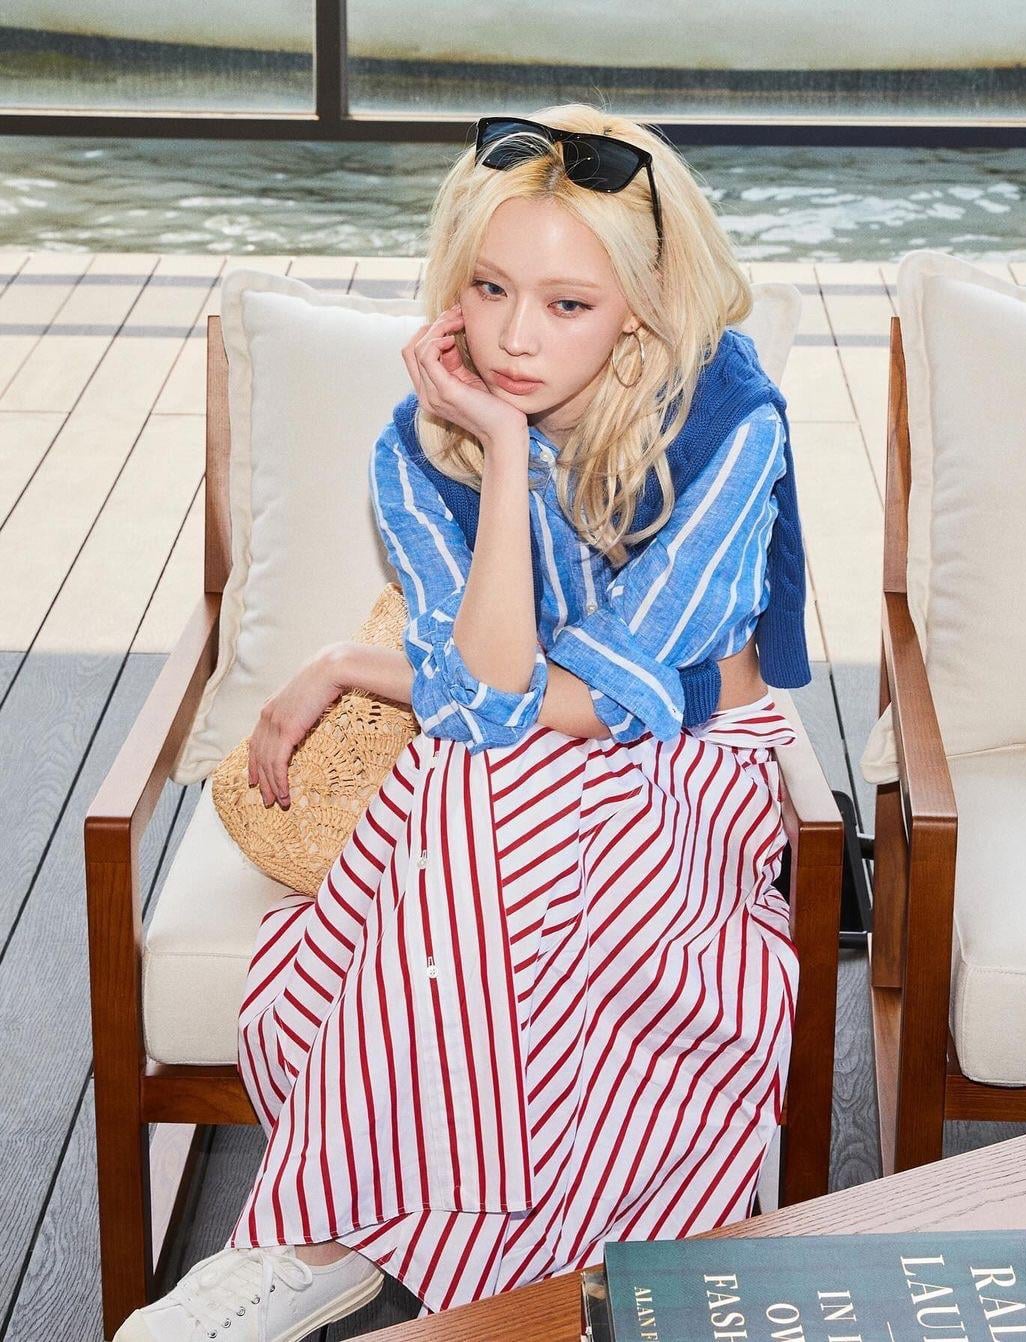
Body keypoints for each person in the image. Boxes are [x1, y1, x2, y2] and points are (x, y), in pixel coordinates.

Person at [112, 102, 812, 1342]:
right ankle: (458, 1274)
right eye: (489, 288)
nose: (514, 336)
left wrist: (369, 667)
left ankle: (323, 1242)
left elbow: (626, 696)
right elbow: (495, 701)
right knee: (479, 778)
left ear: (641, 308)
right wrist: (498, 450)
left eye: (567, 303)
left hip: (691, 767)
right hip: (513, 765)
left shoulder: (726, 416)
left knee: (468, 787)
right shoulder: (423, 446)